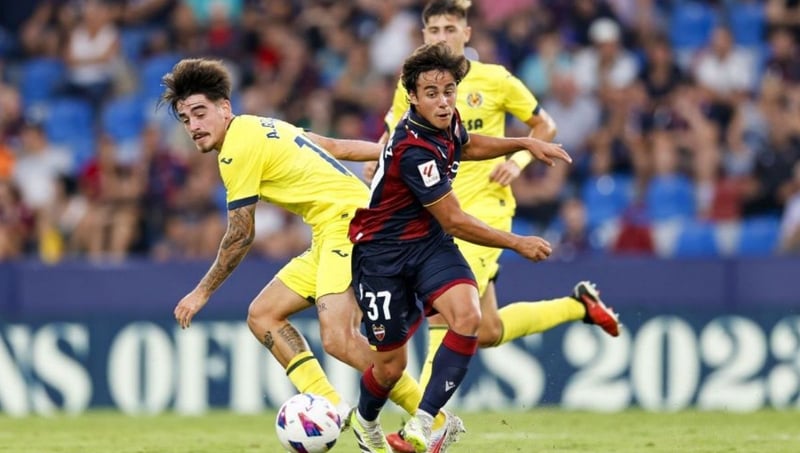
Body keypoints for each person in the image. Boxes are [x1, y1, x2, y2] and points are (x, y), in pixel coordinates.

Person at [363, 2, 622, 450]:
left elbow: (542, 125)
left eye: (450, 28)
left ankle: (423, 427)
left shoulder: (494, 80)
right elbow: (392, 135)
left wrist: (518, 159)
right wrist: (380, 162)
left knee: (451, 314)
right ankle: (578, 306)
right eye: (433, 29)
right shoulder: (419, 86)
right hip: (437, 215)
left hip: (485, 210)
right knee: (488, 330)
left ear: (467, 32)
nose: (442, 36)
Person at [162, 58, 431, 428]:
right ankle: (333, 407)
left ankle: (433, 417)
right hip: (330, 229)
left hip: (350, 224)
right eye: (185, 119)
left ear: (224, 107)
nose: (193, 126)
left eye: (199, 113)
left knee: (338, 338)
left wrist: (201, 292)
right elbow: (334, 147)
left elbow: (240, 235)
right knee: (263, 315)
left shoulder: (237, 148)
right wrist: (397, 152)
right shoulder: (265, 125)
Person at [346, 42, 572, 453]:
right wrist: (516, 242)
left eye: (449, 91)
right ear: (412, 97)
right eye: (431, 93)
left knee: (468, 316)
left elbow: (466, 146)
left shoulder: (446, 120)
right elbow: (454, 220)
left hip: (428, 245)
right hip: (382, 257)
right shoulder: (413, 149)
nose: (443, 101)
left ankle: (423, 423)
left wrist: (522, 144)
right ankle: (365, 421)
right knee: (390, 368)